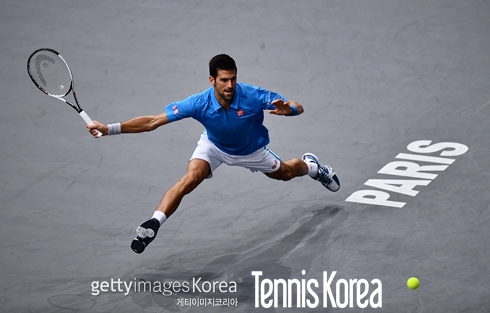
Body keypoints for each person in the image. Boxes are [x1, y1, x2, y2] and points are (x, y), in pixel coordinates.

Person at [87, 54, 340, 254]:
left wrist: (291, 111)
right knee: (191, 178)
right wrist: (109, 129)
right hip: (214, 146)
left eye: (233, 79)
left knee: (285, 173)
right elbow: (153, 121)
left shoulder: (252, 95)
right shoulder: (198, 103)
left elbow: (298, 105)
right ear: (211, 80)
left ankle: (313, 167)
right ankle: (154, 222)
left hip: (251, 150)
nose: (230, 85)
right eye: (223, 80)